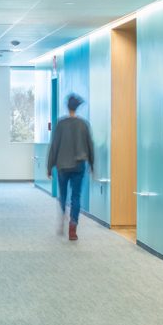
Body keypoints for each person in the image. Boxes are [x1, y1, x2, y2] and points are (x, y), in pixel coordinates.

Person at [46, 93, 94, 241]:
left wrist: (49, 167)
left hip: (62, 166)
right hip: (79, 165)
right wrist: (92, 164)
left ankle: (62, 220)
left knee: (63, 195)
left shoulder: (60, 124)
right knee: (76, 196)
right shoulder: (84, 124)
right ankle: (73, 228)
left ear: (68, 107)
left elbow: (54, 146)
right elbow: (89, 146)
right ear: (77, 107)